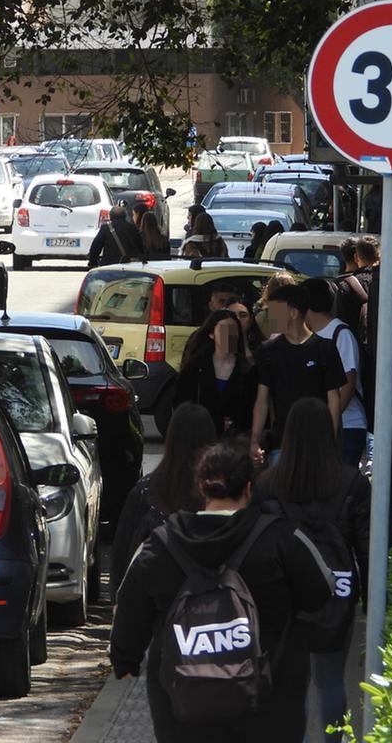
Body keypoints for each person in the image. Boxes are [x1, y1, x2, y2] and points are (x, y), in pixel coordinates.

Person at [110, 438, 334, 743]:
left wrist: (126, 662)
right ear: (249, 489)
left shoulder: (159, 546)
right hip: (270, 702)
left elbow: (129, 612)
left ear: (201, 488)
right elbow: (322, 592)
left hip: (183, 707)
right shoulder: (282, 539)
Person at [254, 399, 371, 743]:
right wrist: (371, 597)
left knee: (291, 684)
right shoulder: (352, 484)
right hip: (338, 592)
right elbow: (365, 546)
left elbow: (259, 545)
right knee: (331, 680)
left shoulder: (267, 486)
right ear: (330, 432)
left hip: (284, 598)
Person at [109, 402, 217, 589]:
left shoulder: (147, 490)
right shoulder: (220, 492)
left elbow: (121, 557)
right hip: (208, 607)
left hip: (154, 599)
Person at [250, 283, 346, 467]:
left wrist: (330, 441)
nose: (271, 317)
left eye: (276, 311)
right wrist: (254, 440)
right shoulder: (268, 351)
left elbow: (333, 399)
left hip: (317, 442)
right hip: (282, 441)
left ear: (293, 313)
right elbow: (262, 400)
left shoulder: (324, 349)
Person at [305, 279, 370, 467]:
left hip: (347, 425)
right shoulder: (310, 335)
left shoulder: (340, 333)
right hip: (323, 426)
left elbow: (348, 385)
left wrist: (326, 421)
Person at [173, 310, 257, 437]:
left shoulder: (247, 370)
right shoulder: (196, 366)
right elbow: (181, 403)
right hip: (200, 437)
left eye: (233, 330)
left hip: (235, 441)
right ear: (212, 334)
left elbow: (253, 408)